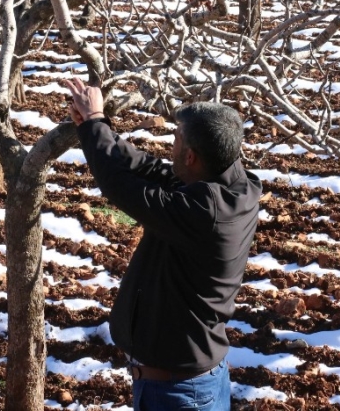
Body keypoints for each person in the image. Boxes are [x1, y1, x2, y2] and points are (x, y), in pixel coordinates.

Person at [64, 79, 262, 411]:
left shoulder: (203, 212)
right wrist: (96, 130)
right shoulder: (234, 184)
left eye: (176, 138)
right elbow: (153, 171)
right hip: (188, 386)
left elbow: (124, 188)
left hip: (179, 395)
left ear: (190, 155)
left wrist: (96, 120)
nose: (169, 147)